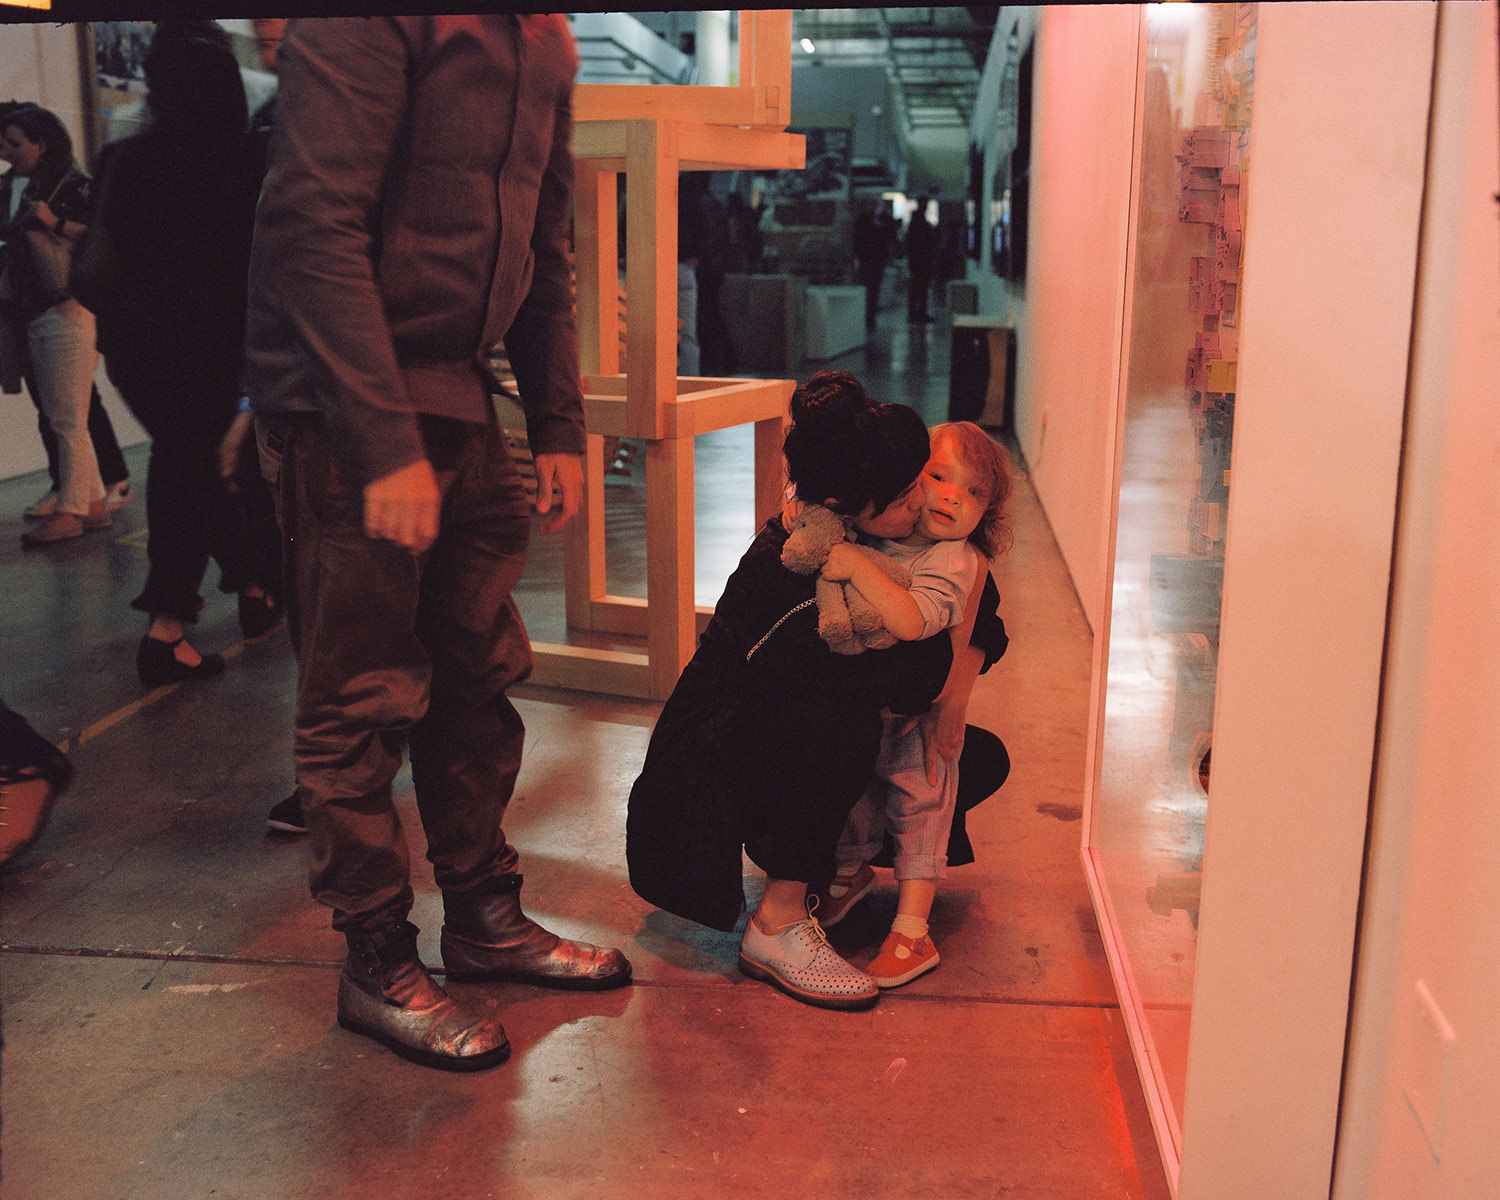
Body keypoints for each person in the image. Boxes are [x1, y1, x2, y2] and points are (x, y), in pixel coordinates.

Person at [246, 16, 631, 1073]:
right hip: (348, 412)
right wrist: (379, 441)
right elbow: (312, 225)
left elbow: (545, 242)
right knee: (361, 697)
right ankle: (376, 961)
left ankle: (483, 918)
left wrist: (556, 420)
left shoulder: (544, 35)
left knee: (476, 677)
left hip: (464, 405)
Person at [628, 370, 1004, 1012]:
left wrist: (959, 696)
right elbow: (917, 678)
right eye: (911, 494)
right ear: (855, 509)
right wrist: (942, 683)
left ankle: (841, 871)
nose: (925, 503)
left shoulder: (852, 522)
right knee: (852, 729)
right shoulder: (807, 579)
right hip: (713, 782)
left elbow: (982, 609)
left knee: (973, 755)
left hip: (781, 741)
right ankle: (776, 922)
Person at [88, 25, 282, 687]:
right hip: (221, 348)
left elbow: (96, 263)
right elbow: (258, 266)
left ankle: (255, 586)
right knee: (211, 471)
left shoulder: (125, 159)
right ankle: (168, 629)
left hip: (140, 353)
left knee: (203, 467)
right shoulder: (244, 159)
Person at [814, 421, 1014, 987]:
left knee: (923, 798)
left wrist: (950, 706)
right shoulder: (878, 530)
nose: (952, 496)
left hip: (917, 717)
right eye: (939, 477)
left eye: (974, 492)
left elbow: (920, 619)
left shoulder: (955, 558)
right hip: (861, 710)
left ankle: (911, 929)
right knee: (852, 793)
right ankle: (846, 875)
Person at [0, 105, 109, 546]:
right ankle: (94, 499)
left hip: (69, 306)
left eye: (14, 142)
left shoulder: (75, 184)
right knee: (61, 412)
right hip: (27, 307)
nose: (6, 150)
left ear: (40, 143)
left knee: (67, 417)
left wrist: (55, 223)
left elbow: (104, 236)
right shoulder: (7, 185)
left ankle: (72, 510)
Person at [852, 203, 894, 330]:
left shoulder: (880, 220)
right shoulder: (865, 220)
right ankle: (868, 317)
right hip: (869, 258)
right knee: (870, 289)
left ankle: (869, 317)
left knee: (872, 289)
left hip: (872, 258)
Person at [904, 195, 938, 324]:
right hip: (919, 260)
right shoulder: (918, 221)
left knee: (919, 288)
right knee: (919, 288)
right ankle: (916, 314)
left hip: (920, 260)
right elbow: (916, 242)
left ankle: (917, 313)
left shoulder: (918, 220)